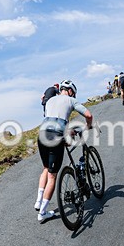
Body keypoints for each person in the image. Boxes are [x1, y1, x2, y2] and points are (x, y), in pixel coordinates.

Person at [35, 80, 93, 222]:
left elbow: (54, 119)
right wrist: (88, 126)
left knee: (46, 168)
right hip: (56, 137)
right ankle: (42, 213)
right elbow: (89, 115)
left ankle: (38, 201)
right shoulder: (71, 100)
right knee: (53, 176)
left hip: (42, 135)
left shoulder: (49, 101)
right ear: (71, 91)